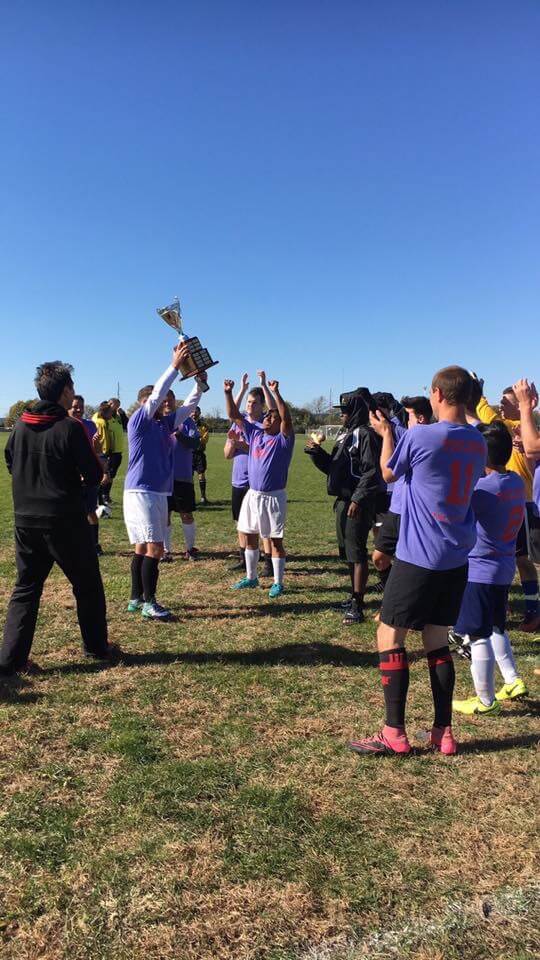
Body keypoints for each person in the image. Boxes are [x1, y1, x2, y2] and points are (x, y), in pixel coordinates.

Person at [349, 366, 487, 758]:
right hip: (456, 557)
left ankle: (394, 731)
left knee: (389, 635)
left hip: (418, 556)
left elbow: (389, 472)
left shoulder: (422, 435)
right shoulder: (477, 441)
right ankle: (443, 732)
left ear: (437, 395)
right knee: (437, 641)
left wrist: (388, 434)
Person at [1, 362, 120, 676]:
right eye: (72, 388)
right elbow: (93, 475)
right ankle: (96, 647)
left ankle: (10, 660)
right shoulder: (70, 427)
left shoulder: (20, 426)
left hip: (25, 520)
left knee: (26, 588)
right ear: (66, 391)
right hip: (65, 521)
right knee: (87, 585)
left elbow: (11, 462)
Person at [124, 344, 207, 621]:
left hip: (158, 492)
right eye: (152, 401)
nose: (159, 403)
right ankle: (150, 603)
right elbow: (159, 392)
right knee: (156, 548)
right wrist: (174, 366)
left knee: (142, 547)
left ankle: (136, 598)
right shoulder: (139, 422)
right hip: (142, 492)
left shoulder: (164, 424)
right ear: (144, 404)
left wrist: (199, 385)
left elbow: (188, 407)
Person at [451, 422, 527, 715]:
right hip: (504, 568)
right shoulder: (515, 481)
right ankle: (512, 680)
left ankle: (485, 700)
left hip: (480, 571)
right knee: (497, 626)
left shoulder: (483, 490)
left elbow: (455, 509)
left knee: (477, 634)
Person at [305, 387, 381, 623]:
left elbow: (371, 471)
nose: (341, 415)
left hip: (356, 502)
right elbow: (334, 468)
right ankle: (353, 596)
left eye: (345, 410)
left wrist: (358, 498)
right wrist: (317, 453)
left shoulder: (365, 435)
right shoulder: (344, 434)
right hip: (342, 500)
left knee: (357, 552)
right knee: (347, 552)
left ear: (356, 411)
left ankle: (358, 605)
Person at [476, 379, 539, 631]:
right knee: (509, 556)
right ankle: (503, 603)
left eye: (506, 403)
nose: (501, 407)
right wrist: (479, 394)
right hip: (506, 498)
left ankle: (532, 609)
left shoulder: (522, 428)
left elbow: (488, 415)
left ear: (520, 405)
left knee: (523, 559)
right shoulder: (506, 430)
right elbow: (486, 414)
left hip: (523, 502)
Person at [224, 376, 294, 598]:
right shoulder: (255, 434)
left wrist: (276, 393)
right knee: (250, 536)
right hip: (252, 495)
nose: (267, 419)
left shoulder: (283, 440)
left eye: (272, 417)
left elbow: (286, 417)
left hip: (273, 497)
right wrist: (228, 393)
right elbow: (234, 415)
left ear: (280, 423)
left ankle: (278, 582)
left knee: (275, 541)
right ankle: (251, 577)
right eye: (267, 416)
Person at [371, 395, 433, 609]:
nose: (406, 421)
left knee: (409, 560)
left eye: (410, 417)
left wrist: (387, 433)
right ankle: (394, 593)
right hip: (396, 507)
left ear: (421, 419)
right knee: (379, 557)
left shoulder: (417, 437)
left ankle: (398, 603)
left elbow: (388, 473)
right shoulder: (408, 433)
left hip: (413, 509)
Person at [224, 372, 273, 577]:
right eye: (248, 402)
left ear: (262, 405)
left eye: (254, 402)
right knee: (241, 522)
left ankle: (269, 562)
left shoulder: (266, 425)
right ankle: (244, 558)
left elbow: (260, 449)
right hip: (238, 481)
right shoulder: (239, 423)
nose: (250, 405)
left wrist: (243, 445)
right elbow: (227, 454)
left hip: (257, 483)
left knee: (263, 525)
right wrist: (233, 443)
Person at [162, 389, 200, 562]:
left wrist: (179, 435)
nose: (167, 403)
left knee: (186, 514)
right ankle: (166, 551)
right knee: (164, 515)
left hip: (182, 476)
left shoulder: (186, 421)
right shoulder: (158, 421)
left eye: (170, 399)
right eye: (164, 400)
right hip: (162, 478)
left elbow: (195, 443)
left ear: (174, 400)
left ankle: (190, 549)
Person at [69, 394, 108, 556]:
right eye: (75, 407)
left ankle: (94, 544)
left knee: (90, 510)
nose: (78, 410)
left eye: (81, 407)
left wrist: (104, 471)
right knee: (72, 513)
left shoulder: (90, 425)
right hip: (70, 477)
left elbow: (98, 452)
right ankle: (74, 544)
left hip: (89, 477)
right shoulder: (63, 425)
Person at [103, 397, 125, 504]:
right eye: (115, 405)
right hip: (109, 452)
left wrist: (123, 414)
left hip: (118, 452)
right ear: (109, 403)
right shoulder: (104, 417)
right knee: (106, 476)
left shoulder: (117, 417)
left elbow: (127, 425)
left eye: (118, 406)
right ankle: (102, 496)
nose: (116, 407)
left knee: (112, 476)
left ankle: (106, 495)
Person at [92, 401, 114, 506]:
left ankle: (100, 501)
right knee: (103, 478)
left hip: (102, 453)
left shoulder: (102, 421)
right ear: (104, 412)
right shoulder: (101, 422)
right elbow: (102, 438)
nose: (111, 414)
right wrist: (105, 452)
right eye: (110, 412)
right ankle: (99, 501)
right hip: (102, 453)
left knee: (104, 478)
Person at [192, 407, 210, 504]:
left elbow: (204, 439)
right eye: (192, 411)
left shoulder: (204, 425)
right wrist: (197, 438)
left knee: (201, 474)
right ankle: (190, 498)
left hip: (199, 453)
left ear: (199, 413)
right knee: (188, 476)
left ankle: (203, 497)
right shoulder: (185, 423)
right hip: (188, 454)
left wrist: (193, 440)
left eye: (196, 412)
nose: (194, 413)